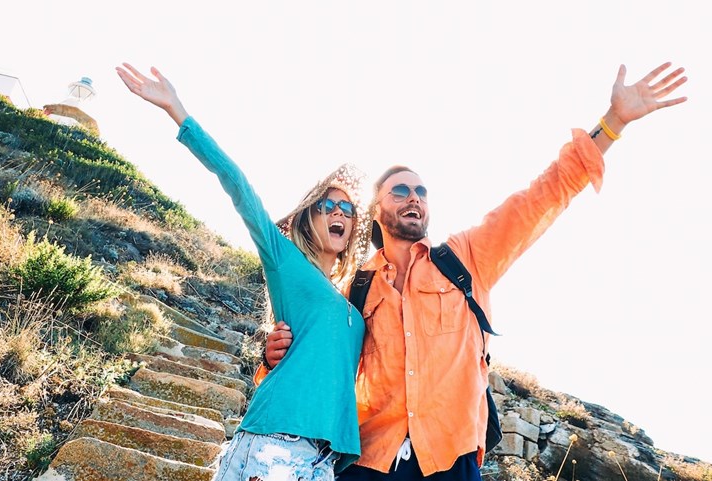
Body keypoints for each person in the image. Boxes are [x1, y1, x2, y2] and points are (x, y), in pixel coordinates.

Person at [264, 61, 688, 480]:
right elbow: (313, 367)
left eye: (421, 191)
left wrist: (611, 124)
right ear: (377, 210)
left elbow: (543, 195)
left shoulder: (467, 257)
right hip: (369, 462)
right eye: (400, 190)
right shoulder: (355, 290)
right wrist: (273, 357)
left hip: (451, 459)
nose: (414, 197)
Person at [116, 62, 374, 481]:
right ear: (309, 217)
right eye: (329, 205)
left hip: (320, 457)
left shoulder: (349, 298)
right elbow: (239, 187)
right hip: (277, 441)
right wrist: (178, 112)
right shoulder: (287, 261)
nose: (340, 212)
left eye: (349, 209)